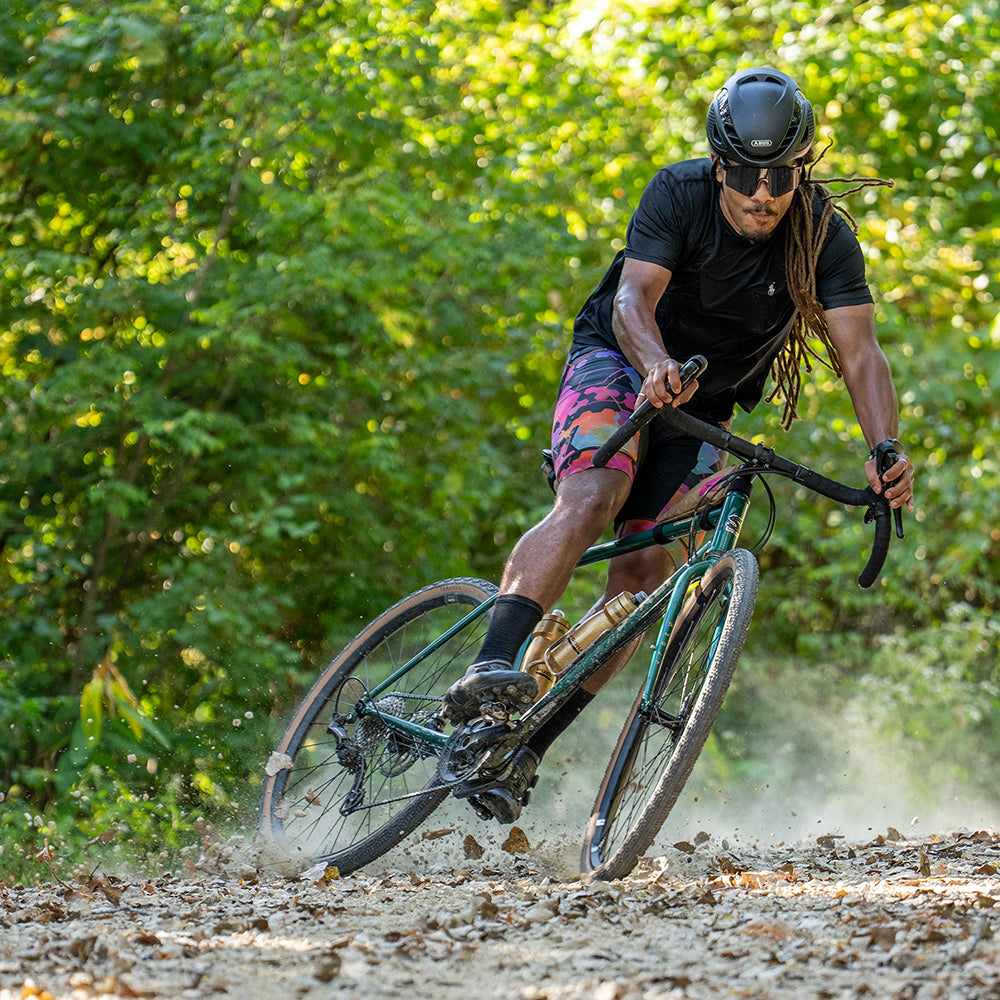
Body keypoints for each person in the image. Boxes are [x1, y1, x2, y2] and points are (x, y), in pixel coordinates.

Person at [442, 66, 915, 822]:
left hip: (710, 403)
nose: (761, 192)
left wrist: (885, 448)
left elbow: (860, 351)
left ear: (802, 169)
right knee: (594, 495)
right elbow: (634, 297)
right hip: (621, 359)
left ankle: (530, 747)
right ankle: (492, 662)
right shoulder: (679, 192)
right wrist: (654, 364)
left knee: (643, 576)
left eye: (781, 176)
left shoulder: (823, 232)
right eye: (744, 172)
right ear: (719, 161)